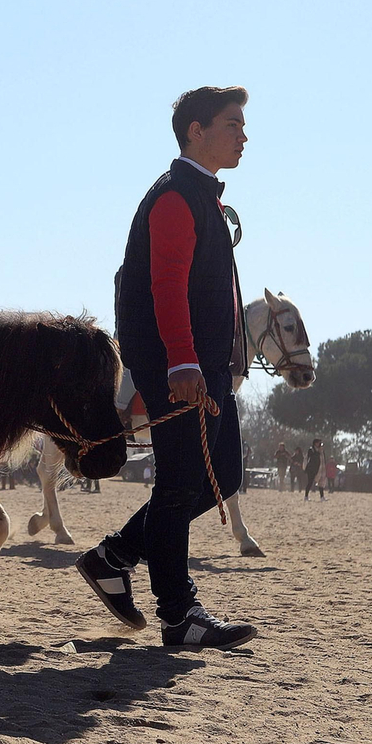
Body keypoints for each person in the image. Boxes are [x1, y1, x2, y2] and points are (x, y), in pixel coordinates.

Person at [77, 86, 256, 649]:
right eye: (232, 124)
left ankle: (114, 557)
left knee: (221, 477)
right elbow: (167, 284)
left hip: (209, 368)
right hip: (180, 367)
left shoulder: (203, 196)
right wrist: (182, 359)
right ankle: (179, 616)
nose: (244, 136)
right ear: (196, 132)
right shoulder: (176, 196)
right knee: (180, 484)